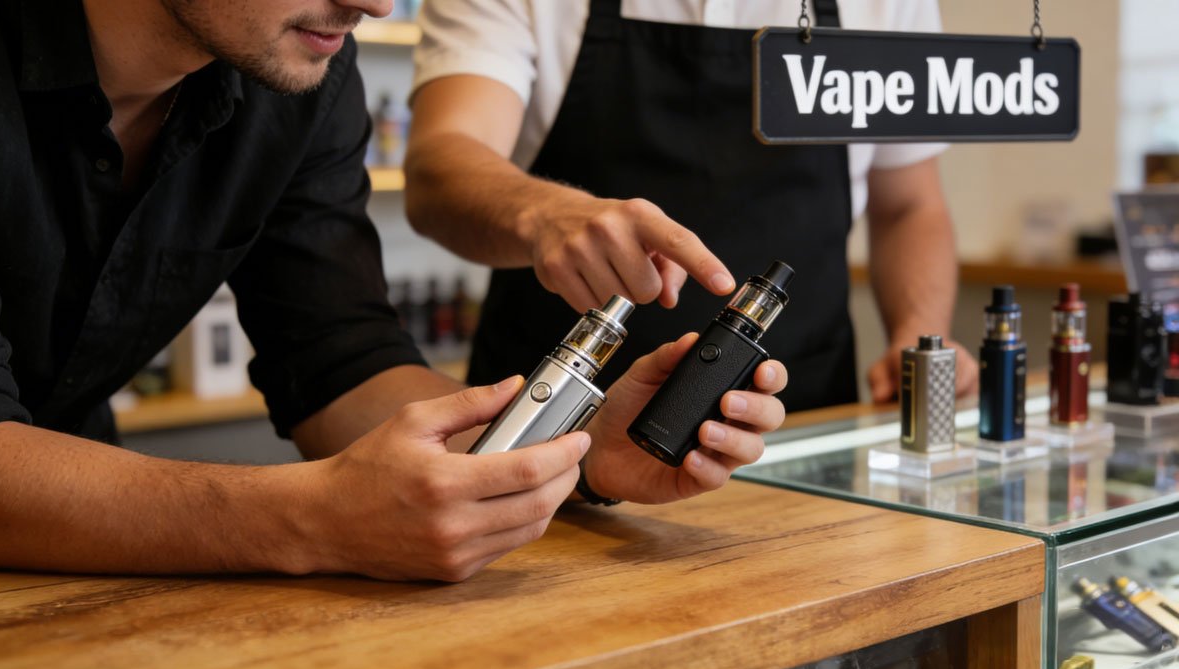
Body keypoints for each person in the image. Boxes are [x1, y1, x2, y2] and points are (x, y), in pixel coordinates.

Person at [0, 0, 787, 582]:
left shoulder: (299, 78)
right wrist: (312, 517)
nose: (373, 2)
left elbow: (341, 363)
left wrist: (566, 446)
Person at [404, 0, 980, 408]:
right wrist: (544, 214)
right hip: (554, 437)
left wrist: (919, 333)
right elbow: (440, 168)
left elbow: (909, 205)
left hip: (803, 423)